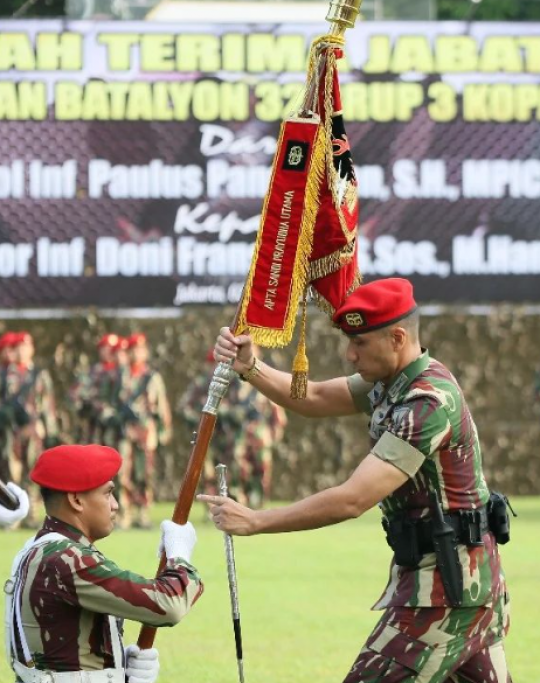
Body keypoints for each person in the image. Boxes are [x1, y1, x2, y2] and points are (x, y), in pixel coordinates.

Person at [201, 277, 512, 683]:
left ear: (398, 337)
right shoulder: (393, 384)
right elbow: (313, 397)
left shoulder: (426, 403)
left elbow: (352, 499)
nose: (349, 355)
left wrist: (257, 521)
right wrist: (250, 367)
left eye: (360, 343)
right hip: (459, 587)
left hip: (446, 596)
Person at [5, 444, 203, 683]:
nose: (116, 504)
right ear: (77, 500)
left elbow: (62, 652)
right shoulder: (67, 559)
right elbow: (169, 604)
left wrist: (114, 666)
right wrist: (179, 555)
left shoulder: (39, 547)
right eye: (108, 493)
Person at [179, 348, 287, 508]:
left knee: (261, 473)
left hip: (259, 438)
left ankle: (257, 505)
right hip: (233, 436)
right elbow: (217, 407)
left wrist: (273, 434)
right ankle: (234, 503)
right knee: (232, 471)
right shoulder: (229, 381)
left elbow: (277, 414)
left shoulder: (264, 383)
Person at [119, 333, 172, 528]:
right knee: (124, 471)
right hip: (125, 431)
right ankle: (125, 511)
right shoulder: (120, 375)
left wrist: (164, 430)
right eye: (133, 350)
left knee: (145, 472)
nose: (136, 353)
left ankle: (143, 512)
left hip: (146, 431)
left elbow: (162, 405)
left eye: (140, 350)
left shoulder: (152, 377)